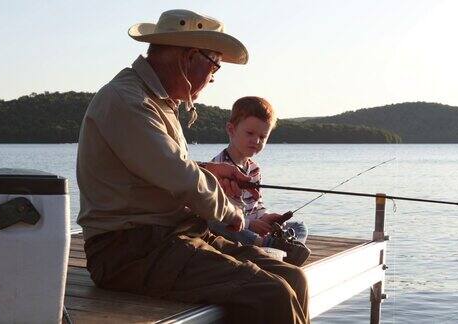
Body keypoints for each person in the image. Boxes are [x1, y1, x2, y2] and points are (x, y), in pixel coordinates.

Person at [76, 9, 309, 324]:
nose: (214, 76)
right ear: (189, 58)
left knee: (294, 278)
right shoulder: (129, 101)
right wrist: (234, 214)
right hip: (129, 251)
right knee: (271, 294)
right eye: (214, 64)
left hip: (172, 238)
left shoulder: (155, 100)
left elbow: (163, 167)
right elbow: (182, 177)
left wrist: (212, 172)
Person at [208, 96, 310, 265]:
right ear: (231, 130)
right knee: (221, 225)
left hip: (255, 231)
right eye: (250, 133)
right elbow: (219, 212)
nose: (256, 141)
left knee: (299, 226)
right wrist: (250, 224)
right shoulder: (219, 167)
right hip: (237, 228)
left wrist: (267, 217)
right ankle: (273, 249)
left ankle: (273, 249)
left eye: (263, 137)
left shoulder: (254, 168)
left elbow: (257, 205)